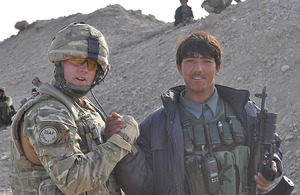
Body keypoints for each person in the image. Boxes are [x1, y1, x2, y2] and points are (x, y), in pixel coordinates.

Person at [114, 31, 283, 194]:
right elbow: (141, 185)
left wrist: (272, 167)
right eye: (190, 61)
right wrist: (122, 145)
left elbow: (272, 146)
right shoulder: (156, 124)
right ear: (180, 68)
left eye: (206, 61)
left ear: (218, 68)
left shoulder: (247, 112)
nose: (198, 69)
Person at [10, 22, 139, 194]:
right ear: (60, 62)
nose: (84, 70)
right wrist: (122, 141)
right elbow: (72, 180)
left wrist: (107, 136)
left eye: (92, 65)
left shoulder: (82, 106)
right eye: (76, 60)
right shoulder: (47, 111)